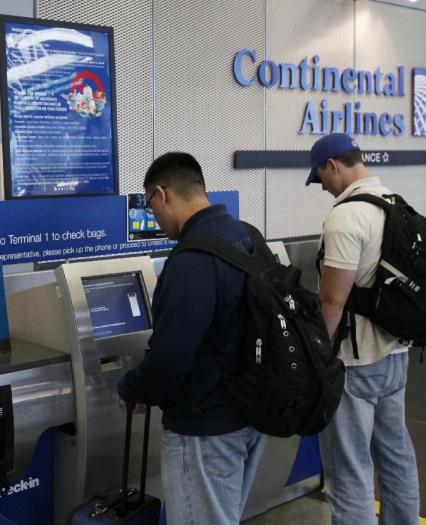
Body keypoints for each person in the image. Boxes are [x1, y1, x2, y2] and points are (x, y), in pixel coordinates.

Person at [117, 152, 267, 525]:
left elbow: (170, 359)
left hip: (206, 429)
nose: (155, 217)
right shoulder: (249, 237)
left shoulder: (191, 261)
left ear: (162, 194)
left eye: (151, 206)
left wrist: (133, 388)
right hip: (252, 413)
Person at [307, 133, 420, 525]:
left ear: (333, 165)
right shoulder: (395, 204)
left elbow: (332, 300)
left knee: (349, 469)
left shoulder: (346, 216)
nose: (322, 187)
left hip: (356, 362)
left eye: (320, 178)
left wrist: (318, 357)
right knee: (396, 456)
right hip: (396, 354)